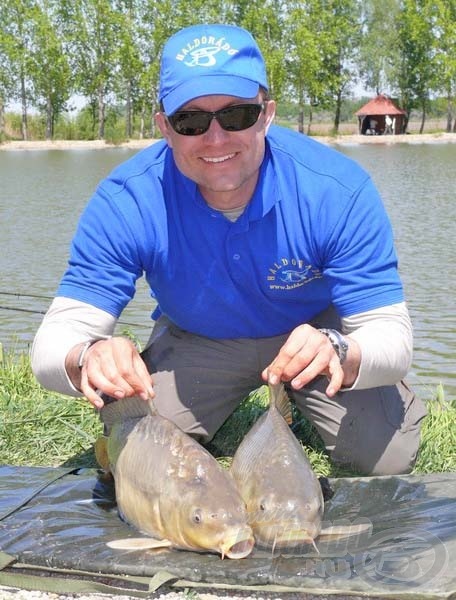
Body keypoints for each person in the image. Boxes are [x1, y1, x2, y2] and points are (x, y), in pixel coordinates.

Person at [32, 23, 426, 476]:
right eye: (191, 121)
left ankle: (301, 396)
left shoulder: (338, 189)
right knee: (142, 456)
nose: (216, 139)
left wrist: (339, 349)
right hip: (199, 334)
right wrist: (87, 356)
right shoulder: (126, 199)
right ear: (164, 126)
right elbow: (53, 344)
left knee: (386, 458)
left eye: (237, 115)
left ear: (267, 114)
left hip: (314, 333)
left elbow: (391, 337)